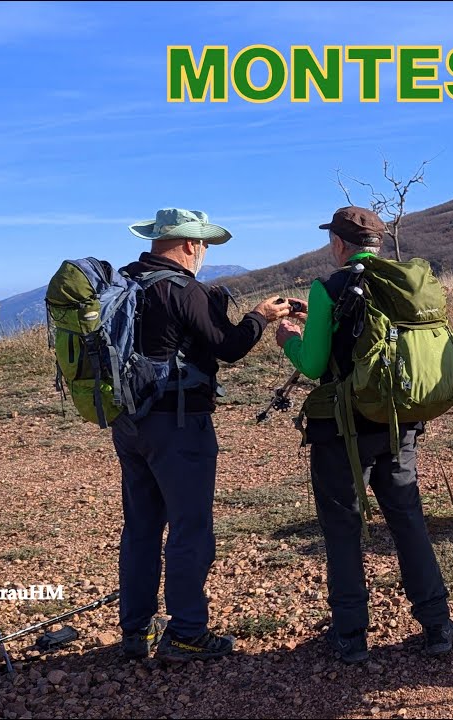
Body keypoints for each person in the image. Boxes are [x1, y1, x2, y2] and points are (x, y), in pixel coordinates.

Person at [275, 206, 453, 665]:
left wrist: (288, 338)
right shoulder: (404, 282)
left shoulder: (328, 288)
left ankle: (351, 635)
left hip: (343, 429)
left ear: (338, 243)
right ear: (377, 242)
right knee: (408, 520)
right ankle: (437, 625)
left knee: (342, 528)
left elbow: (314, 363)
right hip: (398, 422)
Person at [114, 208, 295, 662]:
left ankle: (136, 632)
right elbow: (229, 347)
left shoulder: (126, 282)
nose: (206, 254)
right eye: (205, 245)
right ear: (190, 244)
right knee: (190, 529)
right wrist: (260, 316)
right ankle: (189, 633)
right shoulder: (181, 289)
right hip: (178, 424)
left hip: (129, 421)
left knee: (140, 528)